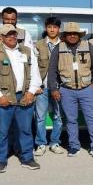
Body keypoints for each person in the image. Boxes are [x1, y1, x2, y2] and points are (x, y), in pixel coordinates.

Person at [0, 24, 42, 173]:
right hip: (4, 99)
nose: (12, 37)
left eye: (14, 34)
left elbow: (35, 74)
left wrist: (31, 92)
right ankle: (0, 161)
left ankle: (27, 158)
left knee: (25, 130)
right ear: (1, 37)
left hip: (24, 97)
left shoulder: (27, 51)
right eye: (8, 35)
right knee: (2, 132)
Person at [47, 22, 93, 157]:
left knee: (92, 118)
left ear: (79, 35)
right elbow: (52, 70)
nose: (72, 36)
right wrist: (54, 89)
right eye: (69, 34)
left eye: (75, 34)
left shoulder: (87, 46)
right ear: (65, 35)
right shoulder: (58, 48)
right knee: (71, 120)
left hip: (87, 89)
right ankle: (74, 146)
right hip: (66, 90)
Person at [33, 17, 64, 156]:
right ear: (46, 28)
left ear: (59, 29)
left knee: (58, 116)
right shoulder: (38, 45)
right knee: (40, 117)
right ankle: (40, 144)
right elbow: (33, 67)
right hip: (43, 87)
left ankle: (55, 142)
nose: (52, 29)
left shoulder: (64, 44)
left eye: (55, 27)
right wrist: (35, 85)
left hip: (60, 87)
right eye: (50, 27)